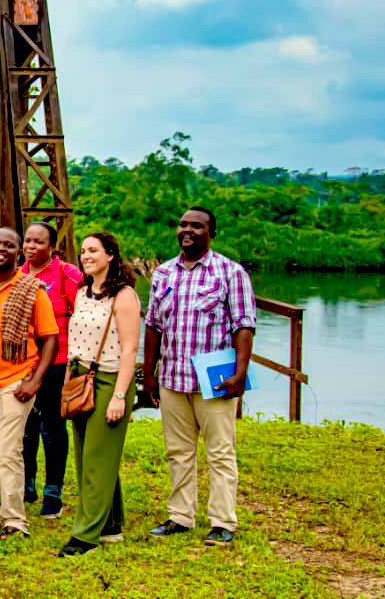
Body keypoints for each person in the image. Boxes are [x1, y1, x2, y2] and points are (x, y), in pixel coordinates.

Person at [143, 207, 256, 547]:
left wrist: (240, 373)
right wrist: (149, 374)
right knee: (178, 451)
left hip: (214, 379)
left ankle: (223, 521)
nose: (187, 230)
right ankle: (181, 515)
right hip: (173, 376)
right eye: (183, 224)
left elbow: (244, 326)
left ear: (211, 233)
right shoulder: (163, 273)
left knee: (220, 451)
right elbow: (153, 327)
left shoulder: (230, 273)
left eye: (197, 226)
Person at [0, 228, 58, 539]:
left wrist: (35, 380)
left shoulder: (33, 289)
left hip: (14, 381)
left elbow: (50, 339)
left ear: (18, 253)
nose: (1, 249)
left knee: (8, 450)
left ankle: (15, 519)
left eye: (9, 245)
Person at [58, 232, 140, 557]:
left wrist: (120, 395)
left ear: (110, 255)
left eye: (93, 250)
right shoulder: (82, 291)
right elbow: (75, 339)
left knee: (96, 456)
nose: (86, 256)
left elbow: (130, 349)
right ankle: (110, 525)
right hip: (80, 377)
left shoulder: (124, 296)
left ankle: (85, 535)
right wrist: (67, 378)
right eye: (83, 251)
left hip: (109, 379)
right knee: (87, 455)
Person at [20, 220, 83, 516]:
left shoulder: (66, 274)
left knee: (53, 426)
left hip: (58, 361)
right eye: (28, 241)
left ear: (52, 247)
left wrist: (76, 363)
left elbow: (83, 315)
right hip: (23, 363)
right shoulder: (18, 274)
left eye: (39, 242)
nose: (31, 247)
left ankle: (53, 491)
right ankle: (27, 484)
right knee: (25, 424)